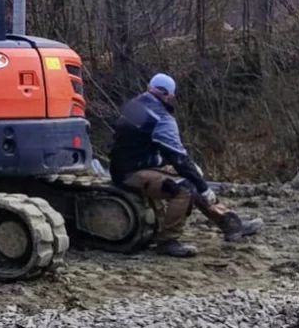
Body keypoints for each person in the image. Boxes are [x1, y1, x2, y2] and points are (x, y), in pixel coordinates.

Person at [110, 73, 263, 257]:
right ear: (170, 96)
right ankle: (167, 241)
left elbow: (136, 143)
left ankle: (230, 224)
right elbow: (179, 157)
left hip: (125, 165)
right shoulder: (162, 119)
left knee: (191, 177)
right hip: (131, 174)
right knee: (184, 188)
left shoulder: (133, 105)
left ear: (149, 88)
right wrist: (204, 188)